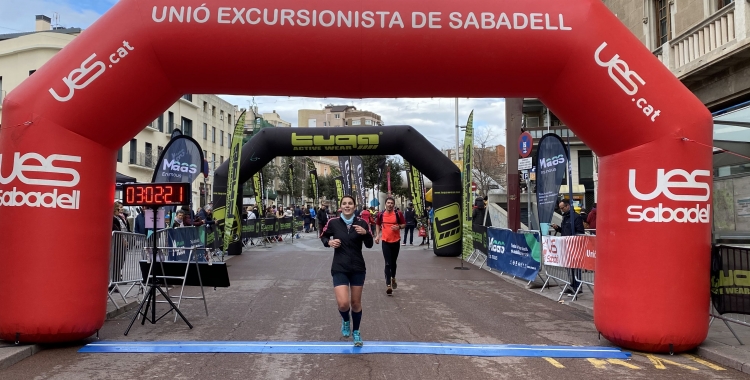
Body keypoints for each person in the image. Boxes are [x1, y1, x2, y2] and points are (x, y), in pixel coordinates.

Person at [320, 195, 373, 347]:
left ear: (355, 207)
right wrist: (329, 242)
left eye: (350, 203)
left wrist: (366, 233)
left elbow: (369, 245)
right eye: (344, 203)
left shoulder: (362, 222)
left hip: (357, 267)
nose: (347, 206)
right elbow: (323, 236)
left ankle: (356, 332)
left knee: (356, 303)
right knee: (343, 304)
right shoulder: (333, 222)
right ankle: (345, 320)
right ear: (340, 207)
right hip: (339, 267)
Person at [551, 199, 586, 296]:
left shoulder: (576, 217)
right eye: (560, 208)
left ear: (567, 206)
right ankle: (571, 285)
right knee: (569, 267)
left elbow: (580, 232)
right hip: (566, 245)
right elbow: (565, 231)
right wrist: (558, 228)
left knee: (575, 267)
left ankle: (577, 287)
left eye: (562, 208)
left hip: (574, 245)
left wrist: (574, 240)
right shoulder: (565, 217)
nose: (561, 210)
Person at [375, 197, 405, 295]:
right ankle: (388, 285)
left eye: (392, 203)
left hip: (396, 241)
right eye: (388, 203)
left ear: (394, 205)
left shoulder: (398, 214)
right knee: (387, 263)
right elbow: (378, 224)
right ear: (385, 204)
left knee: (393, 262)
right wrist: (377, 235)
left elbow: (404, 224)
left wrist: (398, 226)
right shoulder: (381, 214)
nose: (390, 204)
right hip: (385, 242)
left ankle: (393, 277)